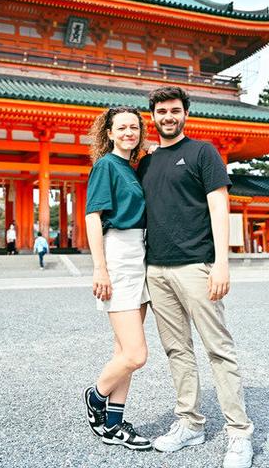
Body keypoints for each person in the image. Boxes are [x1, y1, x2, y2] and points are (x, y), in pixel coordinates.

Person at [137, 86, 253, 468]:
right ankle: (191, 422)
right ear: (151, 116)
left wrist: (222, 263)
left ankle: (239, 433)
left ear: (185, 113)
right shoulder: (146, 162)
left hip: (196, 266)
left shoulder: (203, 152)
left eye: (174, 110)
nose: (167, 117)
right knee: (177, 350)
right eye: (161, 111)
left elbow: (219, 207)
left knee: (218, 349)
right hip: (157, 267)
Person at [82, 106, 151, 451]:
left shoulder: (132, 168)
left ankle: (113, 423)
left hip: (141, 255)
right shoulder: (106, 165)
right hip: (118, 256)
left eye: (134, 127)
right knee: (137, 354)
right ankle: (95, 397)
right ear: (108, 133)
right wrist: (100, 267)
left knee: (123, 349)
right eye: (121, 127)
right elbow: (93, 216)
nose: (128, 133)